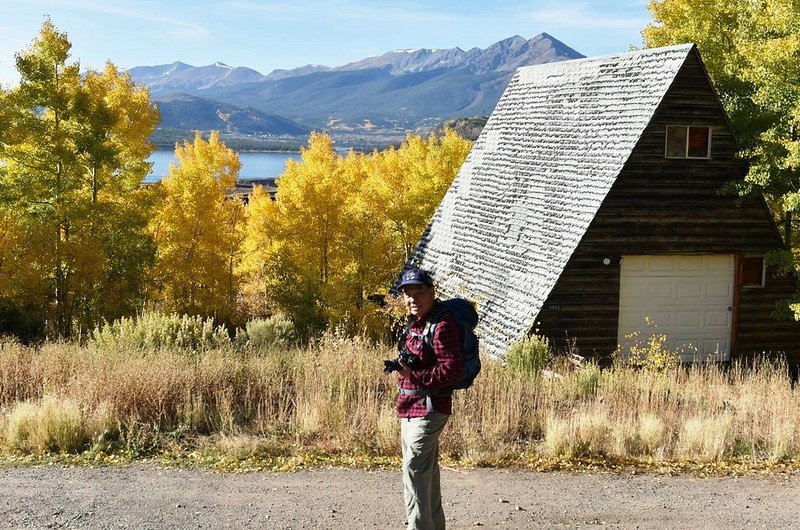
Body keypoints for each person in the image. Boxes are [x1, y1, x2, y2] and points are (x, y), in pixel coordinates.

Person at [393, 267, 463, 530]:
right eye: (408, 294)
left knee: (414, 471)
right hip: (410, 407)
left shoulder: (442, 326)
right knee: (426, 474)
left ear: (432, 292)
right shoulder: (417, 323)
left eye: (418, 293)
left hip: (429, 409)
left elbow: (452, 369)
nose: (413, 299)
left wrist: (413, 375)